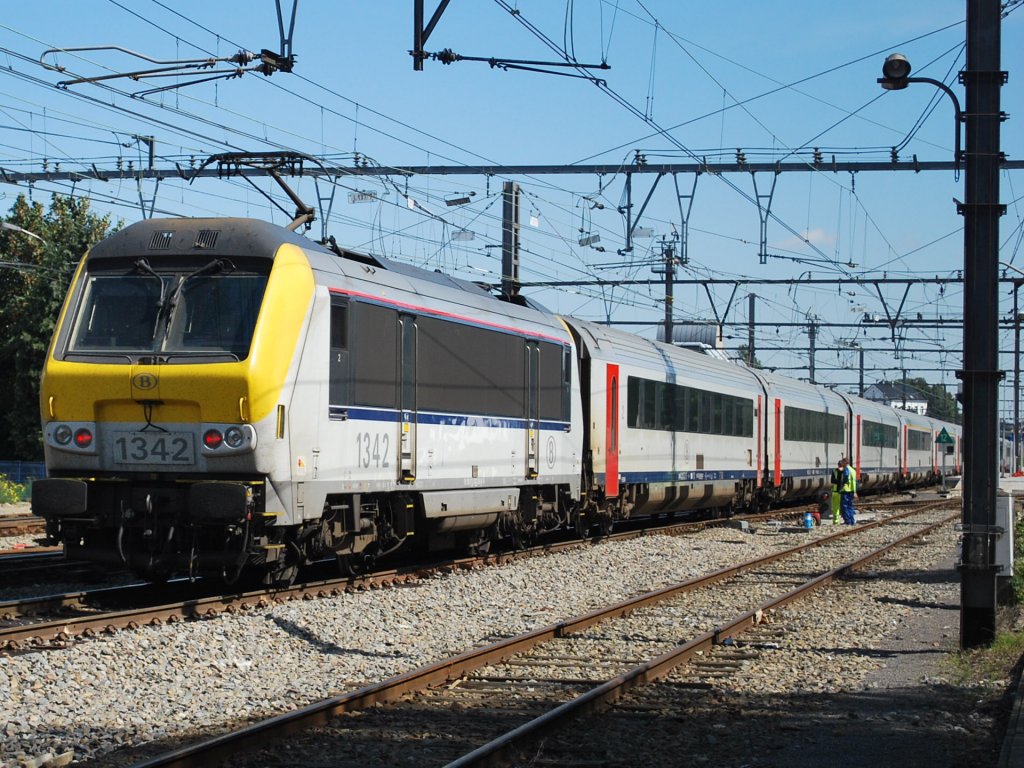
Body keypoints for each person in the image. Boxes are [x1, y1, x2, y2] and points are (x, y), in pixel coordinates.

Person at [838, 457, 858, 525]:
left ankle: (847, 521)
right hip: (852, 491)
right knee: (850, 506)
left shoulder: (846, 469)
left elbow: (846, 477)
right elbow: (855, 482)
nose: (841, 463)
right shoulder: (853, 470)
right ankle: (852, 521)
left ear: (845, 463)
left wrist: (842, 485)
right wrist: (855, 491)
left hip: (845, 490)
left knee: (844, 506)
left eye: (842, 462)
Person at [829, 459, 844, 524]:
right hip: (842, 491)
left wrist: (837, 481)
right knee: (843, 506)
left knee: (835, 506)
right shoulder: (845, 471)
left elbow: (832, 480)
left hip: (835, 491)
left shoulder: (834, 470)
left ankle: (835, 521)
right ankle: (845, 520)